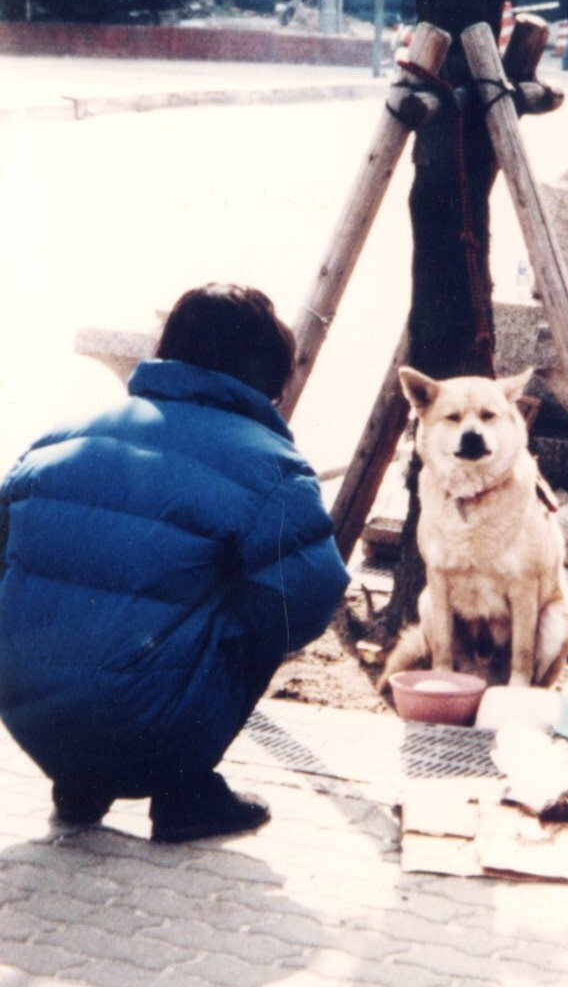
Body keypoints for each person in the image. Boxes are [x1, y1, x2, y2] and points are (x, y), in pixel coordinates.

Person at [0, 284, 349, 842]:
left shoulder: (55, 437)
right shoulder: (273, 467)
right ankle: (185, 794)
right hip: (151, 728)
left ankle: (82, 784)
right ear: (268, 373)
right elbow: (306, 604)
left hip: (27, 714)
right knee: (253, 612)